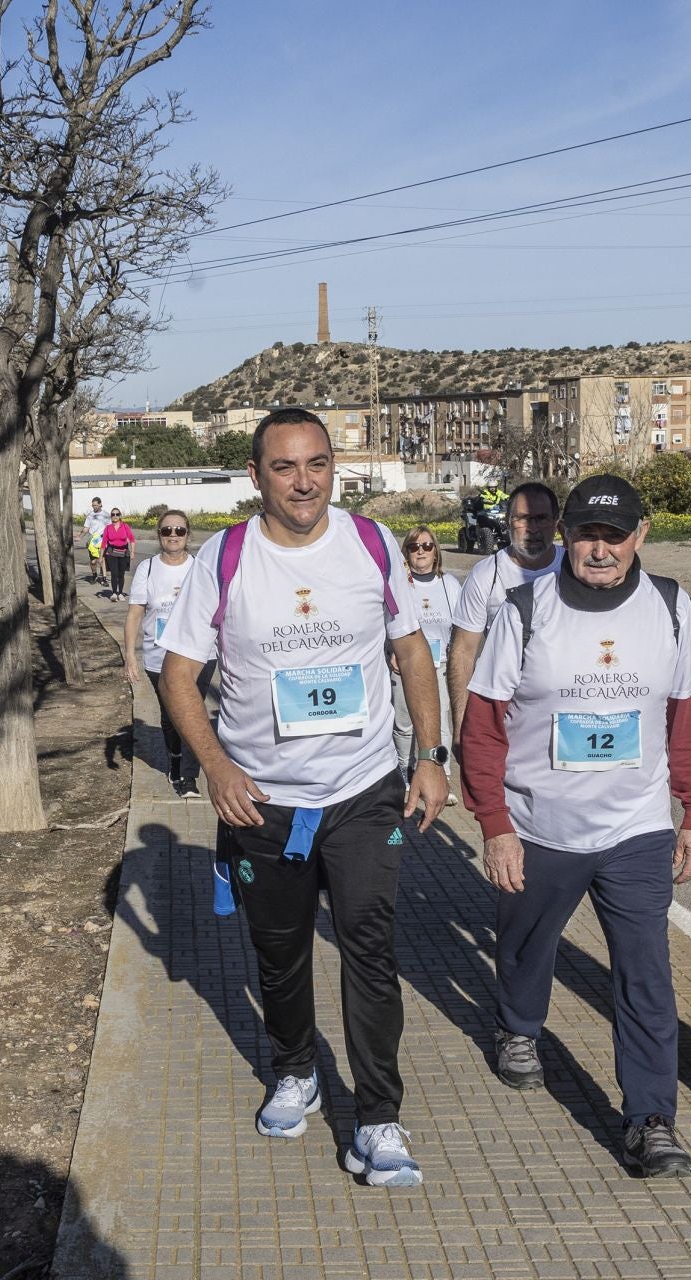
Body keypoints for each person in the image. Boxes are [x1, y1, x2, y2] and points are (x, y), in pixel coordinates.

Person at [158, 408, 449, 1189]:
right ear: (255, 476)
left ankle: (380, 1120)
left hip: (361, 793)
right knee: (279, 958)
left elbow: (411, 649)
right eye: (285, 467)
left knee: (370, 949)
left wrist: (429, 754)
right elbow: (178, 676)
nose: (304, 482)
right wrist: (215, 768)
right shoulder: (223, 559)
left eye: (317, 464)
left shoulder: (368, 542)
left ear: (334, 468)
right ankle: (296, 1069)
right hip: (263, 805)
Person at [456, 473, 691, 1180]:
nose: (599, 549)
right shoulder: (525, 609)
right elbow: (482, 726)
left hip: (636, 826)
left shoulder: (669, 606)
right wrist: (495, 824)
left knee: (645, 975)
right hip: (539, 826)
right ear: (565, 535)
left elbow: (689, 714)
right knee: (524, 947)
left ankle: (649, 1119)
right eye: (586, 534)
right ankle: (517, 1027)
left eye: (615, 535)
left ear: (641, 536)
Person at [446, 481, 562, 739]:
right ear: (508, 522)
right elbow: (463, 651)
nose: (532, 528)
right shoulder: (486, 574)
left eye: (541, 518)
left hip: (564, 711)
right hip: (504, 712)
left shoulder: (574, 569)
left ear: (556, 523)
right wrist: (462, 729)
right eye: (522, 518)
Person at [121, 509, 203, 798]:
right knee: (170, 716)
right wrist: (130, 654)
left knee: (195, 713)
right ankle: (176, 759)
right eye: (167, 530)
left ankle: (189, 777)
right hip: (159, 656)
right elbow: (134, 614)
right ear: (159, 535)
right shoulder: (148, 568)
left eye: (179, 530)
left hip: (199, 655)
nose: (173, 536)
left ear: (188, 535)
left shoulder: (199, 566)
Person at [391, 525, 462, 803]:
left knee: (441, 724)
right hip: (405, 666)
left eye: (427, 546)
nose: (420, 551)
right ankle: (405, 776)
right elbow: (387, 625)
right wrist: (391, 652)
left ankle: (441, 776)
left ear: (436, 552)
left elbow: (460, 630)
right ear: (406, 553)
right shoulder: (399, 586)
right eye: (414, 546)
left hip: (439, 665)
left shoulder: (450, 585)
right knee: (404, 724)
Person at [102, 507, 137, 600]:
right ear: (111, 516)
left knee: (121, 574)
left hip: (123, 552)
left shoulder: (125, 526)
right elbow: (104, 542)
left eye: (117, 514)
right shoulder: (108, 528)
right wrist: (101, 556)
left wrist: (132, 552)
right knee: (114, 573)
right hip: (111, 553)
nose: (115, 516)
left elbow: (132, 539)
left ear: (120, 516)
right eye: (113, 514)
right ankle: (114, 593)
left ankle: (120, 593)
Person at [82, 497, 110, 586]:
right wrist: (80, 536)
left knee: (102, 559)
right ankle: (94, 575)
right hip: (92, 540)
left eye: (96, 505)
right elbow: (86, 528)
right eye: (93, 505)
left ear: (100, 504)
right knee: (93, 561)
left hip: (102, 539)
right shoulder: (90, 515)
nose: (94, 507)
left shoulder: (106, 515)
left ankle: (104, 579)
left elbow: (109, 528)